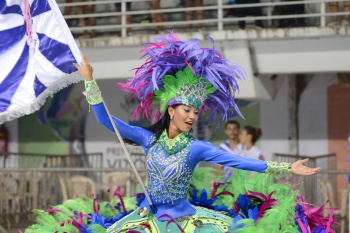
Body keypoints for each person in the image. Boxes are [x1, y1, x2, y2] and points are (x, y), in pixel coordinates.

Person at [25, 33, 322, 233]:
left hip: (187, 221)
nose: (193, 116)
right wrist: (89, 81)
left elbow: (240, 162)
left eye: (196, 111)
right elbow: (106, 121)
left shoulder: (197, 148)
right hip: (149, 219)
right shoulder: (147, 138)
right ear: (170, 110)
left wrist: (287, 166)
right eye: (187, 110)